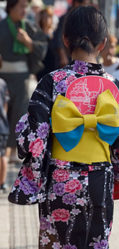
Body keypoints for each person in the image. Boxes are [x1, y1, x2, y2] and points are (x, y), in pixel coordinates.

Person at [8, 6, 119, 248]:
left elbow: (33, 136)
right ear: (103, 44)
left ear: (66, 40)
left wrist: (25, 129)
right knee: (96, 242)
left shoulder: (53, 81)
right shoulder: (114, 85)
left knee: (57, 242)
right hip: (101, 176)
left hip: (60, 176)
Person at [0, 0, 47, 163]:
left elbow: (42, 48)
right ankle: (2, 150)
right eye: (20, 6)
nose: (24, 10)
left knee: (19, 113)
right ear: (11, 8)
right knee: (2, 114)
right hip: (2, 77)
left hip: (22, 76)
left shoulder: (29, 27)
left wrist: (28, 41)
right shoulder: (1, 26)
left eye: (25, 6)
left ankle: (13, 150)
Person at [52, 0, 89, 69]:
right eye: (85, 4)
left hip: (79, 59)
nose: (86, 7)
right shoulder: (65, 18)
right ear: (76, 3)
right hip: (66, 58)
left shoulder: (82, 18)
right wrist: (62, 56)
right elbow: (58, 38)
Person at [36, 6, 57, 80]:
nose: (47, 19)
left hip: (53, 67)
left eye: (49, 16)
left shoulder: (55, 34)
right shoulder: (38, 34)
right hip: (41, 69)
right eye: (44, 16)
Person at [0, 78, 9, 192]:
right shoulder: (2, 82)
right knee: (2, 155)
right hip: (2, 124)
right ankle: (2, 183)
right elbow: (6, 104)